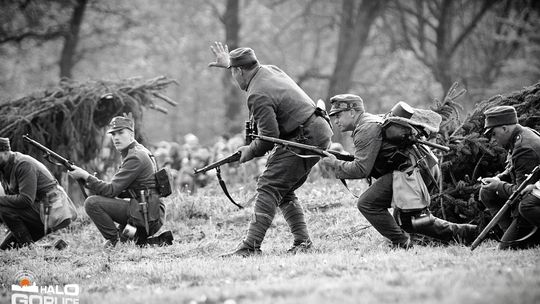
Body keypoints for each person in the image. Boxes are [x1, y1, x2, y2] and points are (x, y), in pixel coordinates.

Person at [209, 42, 333, 256]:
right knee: (282, 188)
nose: (233, 77)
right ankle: (303, 242)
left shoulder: (257, 93)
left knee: (268, 185)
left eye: (233, 72)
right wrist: (228, 63)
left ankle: (250, 247)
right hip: (318, 129)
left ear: (239, 71)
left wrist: (249, 151)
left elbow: (268, 138)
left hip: (305, 136)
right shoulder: (270, 70)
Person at [320, 95, 477, 248]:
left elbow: (361, 169)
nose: (336, 121)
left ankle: (402, 243)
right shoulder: (371, 121)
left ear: (352, 112)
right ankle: (471, 234)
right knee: (411, 222)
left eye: (338, 115)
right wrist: (342, 159)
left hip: (411, 173)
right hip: (423, 167)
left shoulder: (365, 129)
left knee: (367, 203)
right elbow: (371, 158)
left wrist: (335, 164)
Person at [69, 115, 173, 248]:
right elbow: (120, 191)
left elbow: (111, 191)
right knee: (127, 240)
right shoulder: (139, 151)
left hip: (144, 217)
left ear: (131, 134)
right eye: (113, 134)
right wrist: (88, 180)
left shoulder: (135, 157)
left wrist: (86, 176)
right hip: (147, 215)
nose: (116, 137)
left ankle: (115, 242)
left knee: (92, 203)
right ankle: (126, 240)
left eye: (120, 132)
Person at [478, 105, 540, 249]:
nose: (492, 140)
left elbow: (522, 192)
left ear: (505, 128)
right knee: (487, 191)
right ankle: (510, 233)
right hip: (530, 197)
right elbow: (513, 169)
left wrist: (497, 185)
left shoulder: (525, 147)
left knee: (505, 249)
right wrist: (498, 179)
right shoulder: (519, 136)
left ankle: (527, 236)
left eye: (493, 134)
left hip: (532, 203)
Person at [0, 137, 74, 250]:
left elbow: (25, 200)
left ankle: (31, 250)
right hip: (38, 210)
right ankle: (55, 247)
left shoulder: (23, 164)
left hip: (53, 211)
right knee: (5, 248)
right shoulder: (4, 166)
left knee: (3, 208)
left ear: (5, 152)